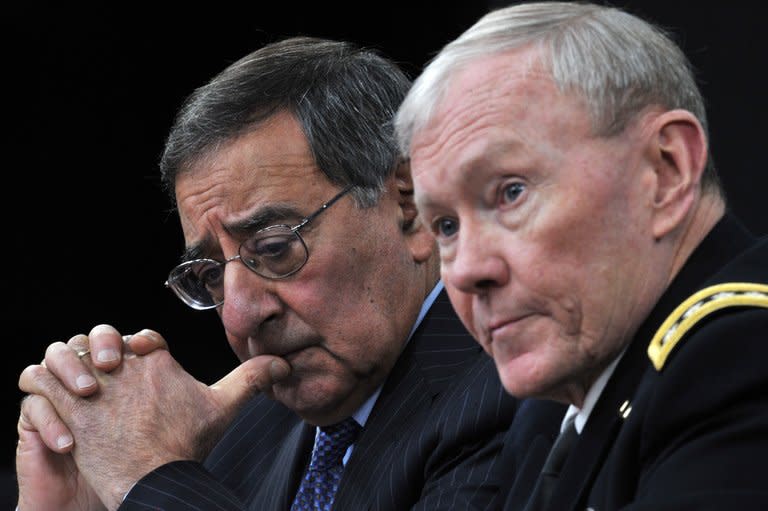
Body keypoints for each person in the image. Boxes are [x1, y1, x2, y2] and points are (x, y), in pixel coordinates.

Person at [16, 36, 566, 511]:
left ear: (410, 207)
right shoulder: (242, 434)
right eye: (210, 274)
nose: (239, 313)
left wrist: (147, 476)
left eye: (275, 248)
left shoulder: (516, 392)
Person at [394, 2, 768, 510]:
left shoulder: (740, 357)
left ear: (665, 171)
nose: (465, 270)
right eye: (446, 226)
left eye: (510, 193)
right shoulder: (547, 412)